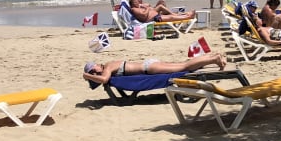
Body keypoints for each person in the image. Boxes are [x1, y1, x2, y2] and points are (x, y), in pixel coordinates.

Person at [83, 52, 226, 85]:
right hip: (149, 65)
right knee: (184, 64)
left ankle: (214, 59)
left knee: (184, 66)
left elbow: (103, 79)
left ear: (97, 64)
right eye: (91, 72)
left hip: (149, 68)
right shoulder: (109, 64)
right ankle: (212, 56)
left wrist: (86, 76)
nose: (94, 72)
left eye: (93, 69)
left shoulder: (107, 66)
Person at [128, 0, 196, 22]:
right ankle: (188, 17)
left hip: (155, 16)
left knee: (171, 16)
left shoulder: (136, 7)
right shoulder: (134, 9)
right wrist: (147, 8)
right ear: (133, 4)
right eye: (136, 2)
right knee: (171, 17)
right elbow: (144, 15)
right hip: (153, 18)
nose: (137, 3)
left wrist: (146, 8)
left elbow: (144, 13)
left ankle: (186, 14)